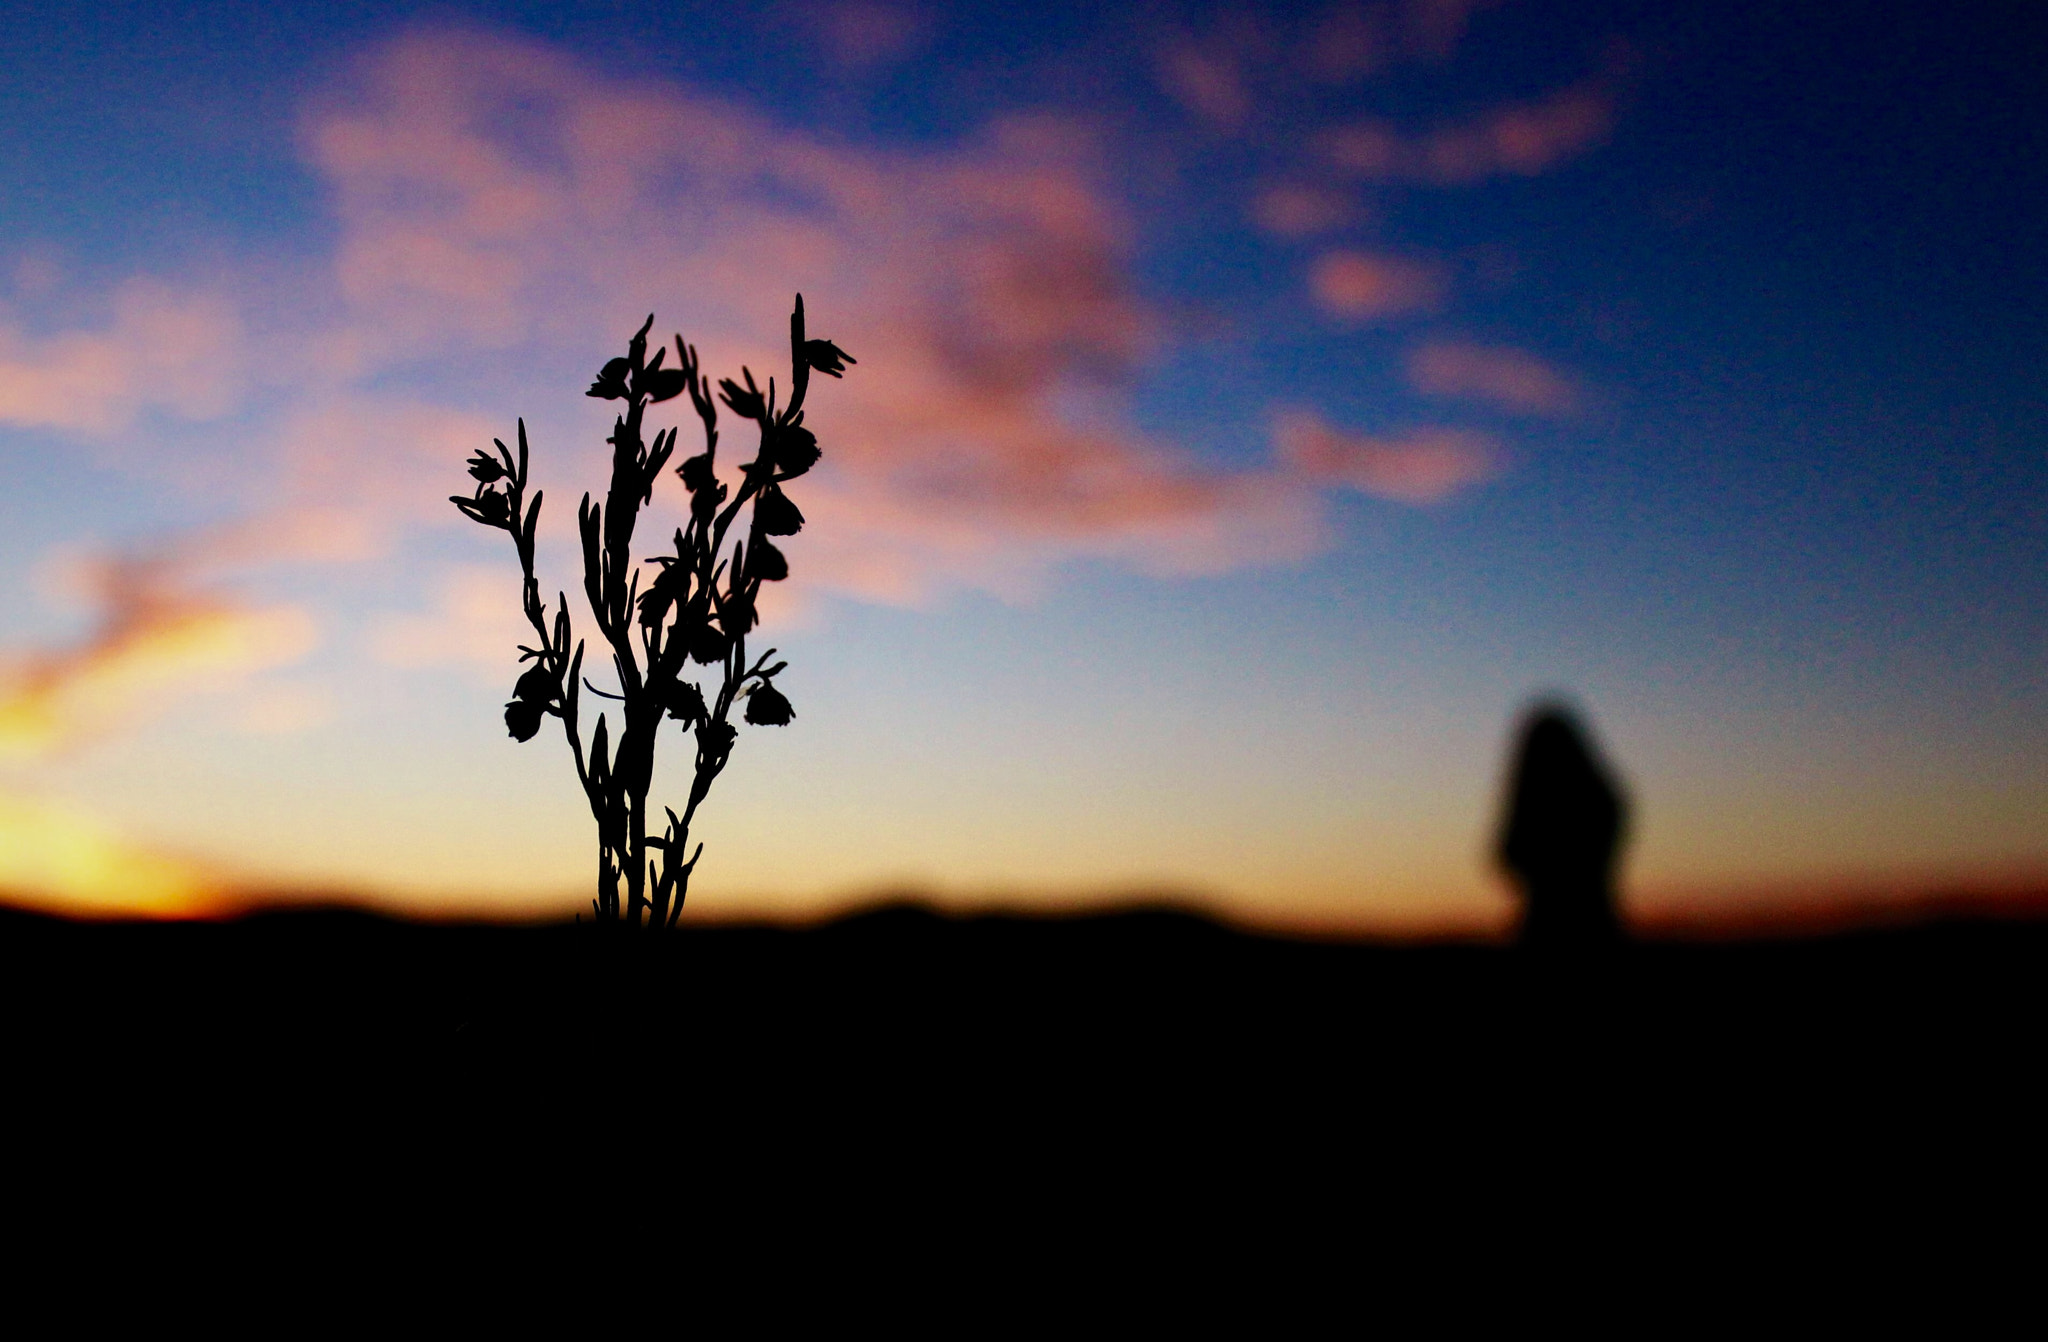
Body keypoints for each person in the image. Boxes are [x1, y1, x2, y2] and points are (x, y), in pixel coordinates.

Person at [1498, 702, 1628, 947]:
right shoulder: (1603, 799)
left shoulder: (1539, 802)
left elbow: (1507, 855)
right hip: (1594, 923)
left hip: (1549, 925)